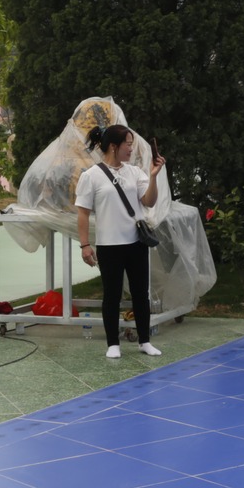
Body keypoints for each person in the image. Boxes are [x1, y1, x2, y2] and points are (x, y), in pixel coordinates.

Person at [74, 123, 166, 360]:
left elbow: (149, 201)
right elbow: (82, 213)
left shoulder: (134, 172)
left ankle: (145, 341)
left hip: (136, 243)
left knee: (140, 294)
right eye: (128, 144)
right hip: (109, 246)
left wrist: (153, 176)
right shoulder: (91, 176)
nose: (131, 149)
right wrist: (85, 245)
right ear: (114, 146)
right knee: (112, 295)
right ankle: (112, 343)